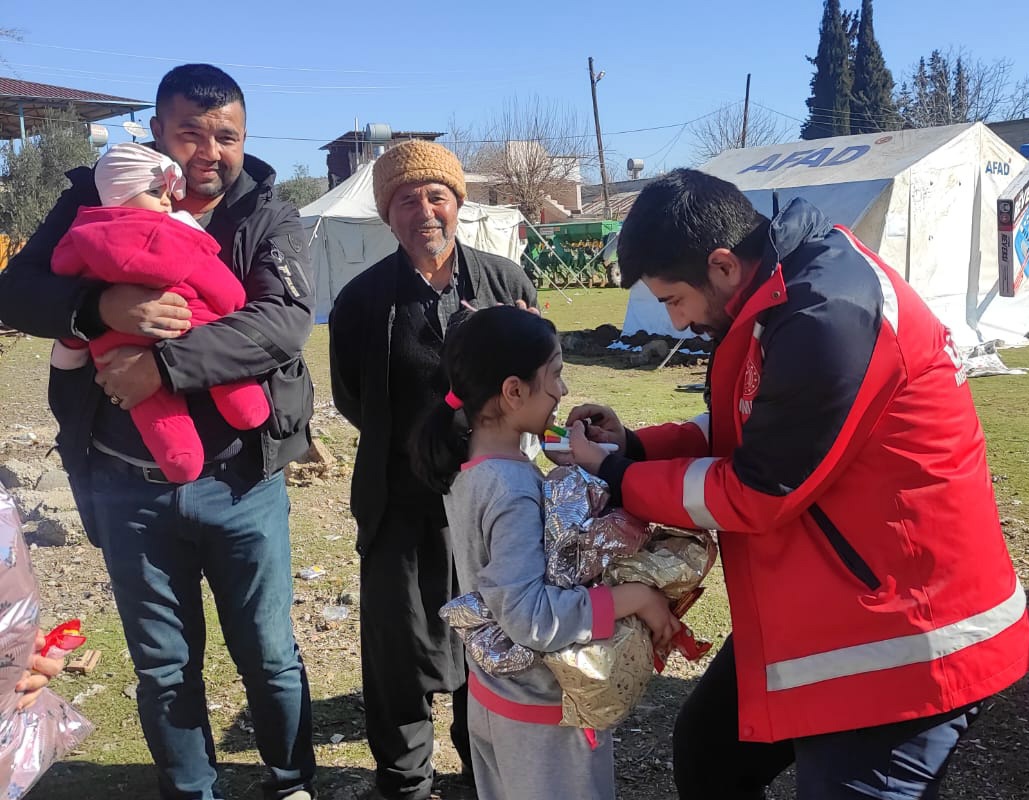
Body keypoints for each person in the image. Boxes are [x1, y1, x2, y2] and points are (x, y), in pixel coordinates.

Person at [561, 169, 1029, 800]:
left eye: (674, 299)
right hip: (838, 604)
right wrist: (640, 446)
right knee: (709, 753)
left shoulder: (826, 314)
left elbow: (759, 489)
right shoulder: (785, 291)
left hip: (901, 633)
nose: (676, 321)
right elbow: (754, 422)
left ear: (724, 266)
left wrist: (621, 479)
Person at [0, 63, 317, 800]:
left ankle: (291, 779)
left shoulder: (270, 212)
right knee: (164, 663)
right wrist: (99, 309)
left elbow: (284, 321)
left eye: (227, 136)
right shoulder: (88, 195)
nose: (211, 152)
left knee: (269, 653)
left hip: (242, 479)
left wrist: (167, 366)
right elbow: (16, 291)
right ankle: (191, 789)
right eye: (190, 134)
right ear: (158, 136)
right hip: (123, 482)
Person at [328, 140, 537, 800]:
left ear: (458, 205)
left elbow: (538, 382)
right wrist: (422, 446)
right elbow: (352, 397)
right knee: (399, 657)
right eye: (407, 200)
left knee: (492, 647)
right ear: (388, 216)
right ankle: (406, 784)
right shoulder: (363, 301)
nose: (425, 210)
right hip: (400, 502)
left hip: (493, 502)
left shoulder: (505, 283)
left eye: (436, 196)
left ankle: (485, 778)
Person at [409, 305, 679, 800]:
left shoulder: (473, 465)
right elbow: (530, 616)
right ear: (513, 392)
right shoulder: (512, 489)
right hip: (543, 723)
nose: (564, 391)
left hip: (495, 701)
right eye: (555, 374)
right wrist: (636, 597)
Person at [50, 142, 270, 483]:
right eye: (156, 191)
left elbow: (60, 275)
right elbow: (212, 278)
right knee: (224, 368)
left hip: (115, 348)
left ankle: (178, 455)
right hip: (189, 321)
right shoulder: (176, 231)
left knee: (151, 407)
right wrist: (232, 300)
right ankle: (244, 403)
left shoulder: (81, 233)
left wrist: (74, 341)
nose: (167, 200)